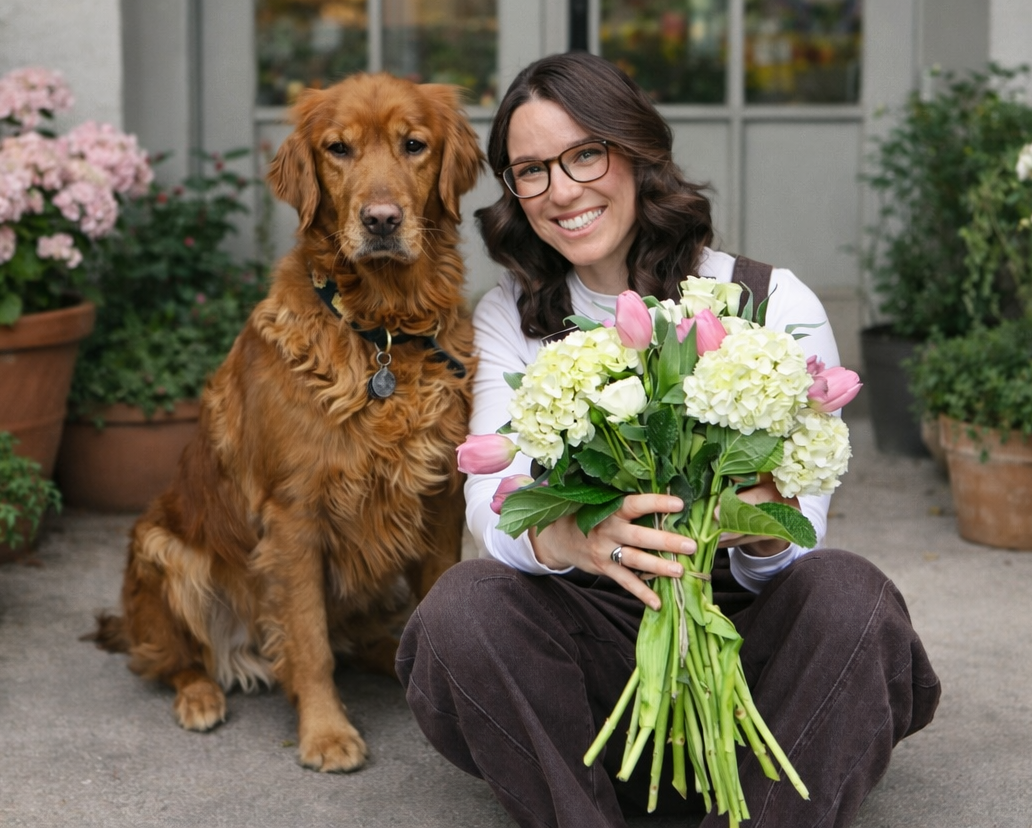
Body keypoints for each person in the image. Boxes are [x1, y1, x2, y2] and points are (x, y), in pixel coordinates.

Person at [396, 52, 939, 828]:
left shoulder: (767, 299)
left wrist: (750, 523)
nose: (562, 190)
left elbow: (801, 535)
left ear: (636, 150)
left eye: (585, 154)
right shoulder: (512, 314)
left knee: (852, 597)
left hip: (752, 679)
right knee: (460, 610)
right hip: (592, 679)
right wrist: (572, 538)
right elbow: (491, 497)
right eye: (531, 171)